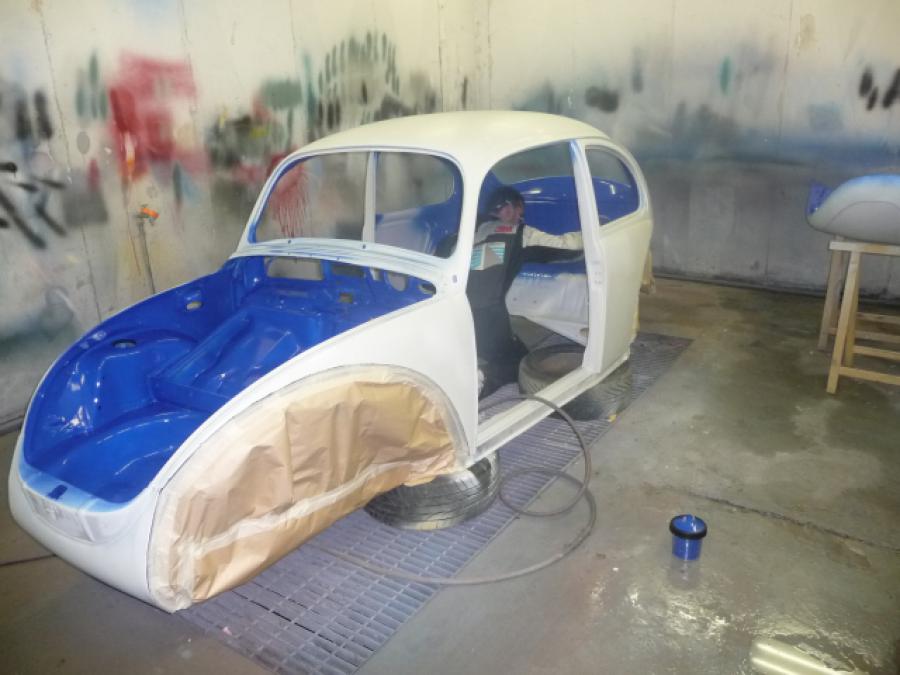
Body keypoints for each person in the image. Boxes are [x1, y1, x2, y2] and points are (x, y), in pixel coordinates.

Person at [466, 186, 529, 396]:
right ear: (510, 209)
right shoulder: (519, 233)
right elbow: (565, 246)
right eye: (519, 212)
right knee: (521, 364)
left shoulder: (470, 228)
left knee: (511, 348)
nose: (519, 218)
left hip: (457, 310)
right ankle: (482, 378)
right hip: (487, 314)